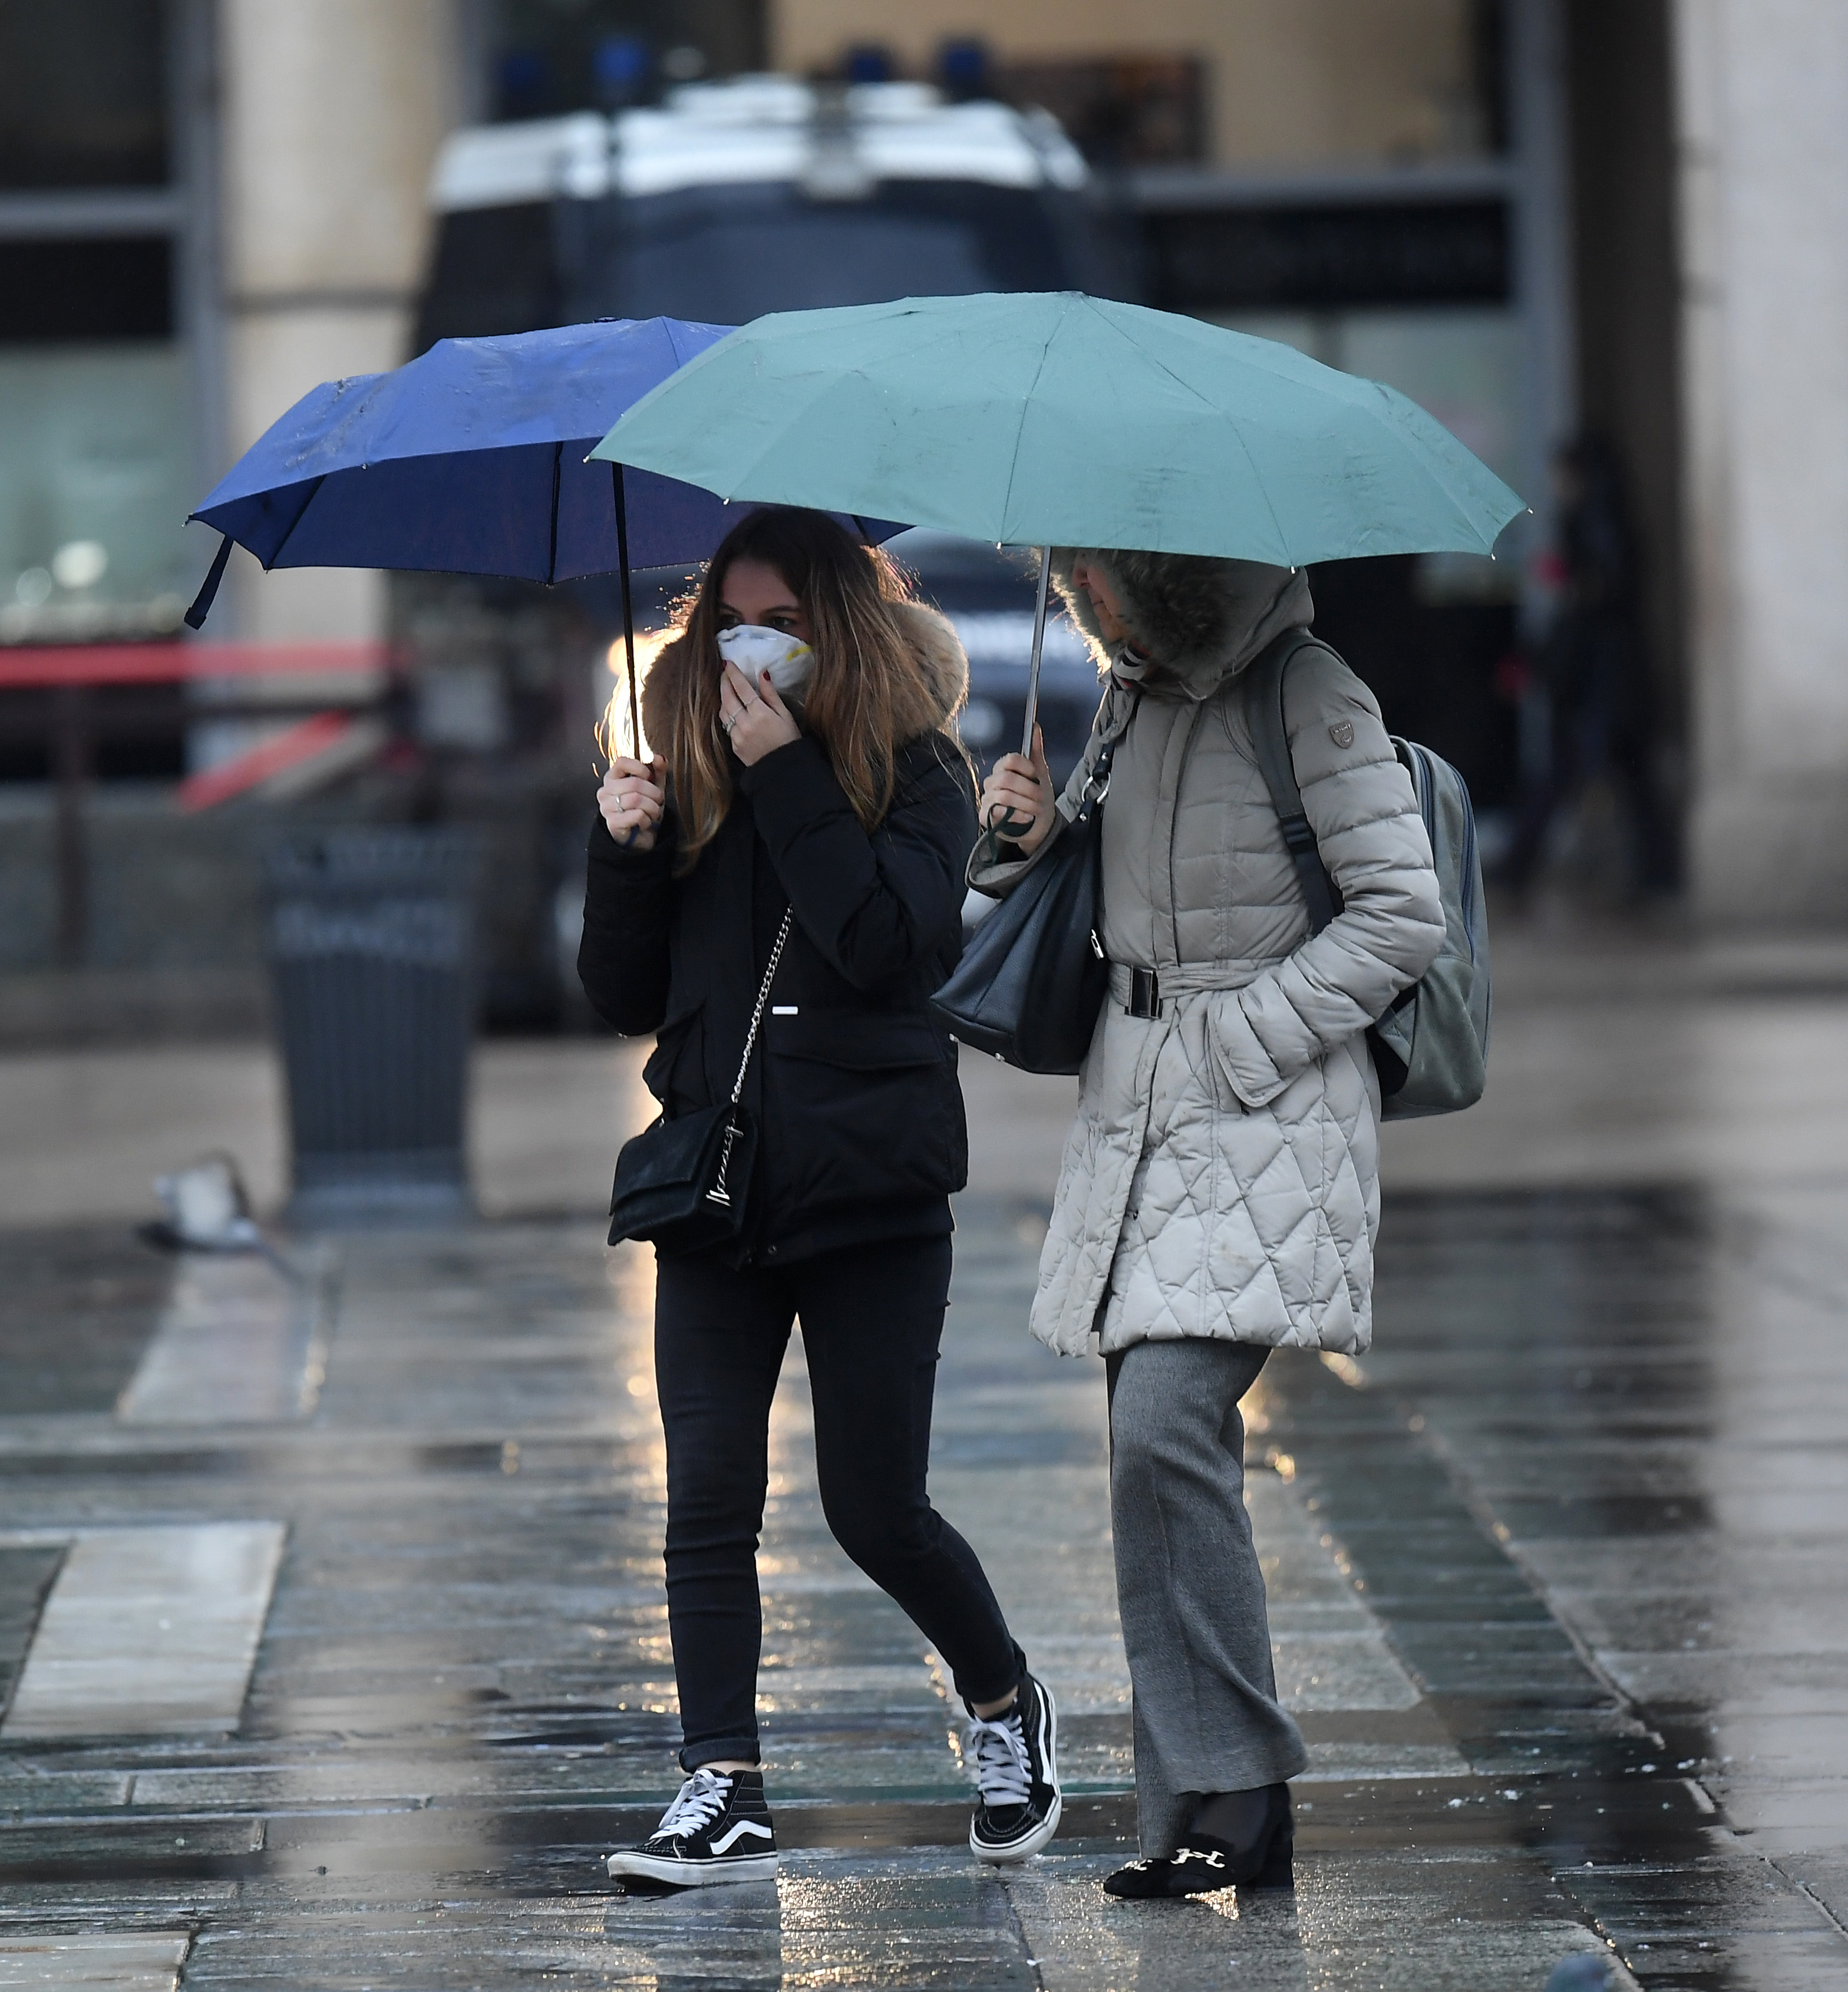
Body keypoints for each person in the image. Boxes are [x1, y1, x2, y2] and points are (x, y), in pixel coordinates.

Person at [580, 507, 1060, 1889]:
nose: (751, 649)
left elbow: (884, 943)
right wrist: (625, 847)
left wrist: (787, 773)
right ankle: (720, 1781)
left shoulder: (918, 766)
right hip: (717, 1189)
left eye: (782, 625)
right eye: (730, 623)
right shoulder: (684, 766)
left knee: (873, 1506)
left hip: (870, 1189)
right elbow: (620, 995)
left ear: (837, 626)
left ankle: (1001, 1697)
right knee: (706, 1495)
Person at [973, 549, 1443, 1899]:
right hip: (1136, 1114)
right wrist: (1028, 838)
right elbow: (1108, 893)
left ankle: (1236, 1785)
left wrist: (1240, 1037)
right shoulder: (1131, 696)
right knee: (1149, 1459)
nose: (1085, 594)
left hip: (1262, 1110)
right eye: (1074, 577)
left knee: (1164, 1425)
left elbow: (1398, 916)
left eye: (1102, 572)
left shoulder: (1305, 687)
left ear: (1170, 575)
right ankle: (1196, 1806)